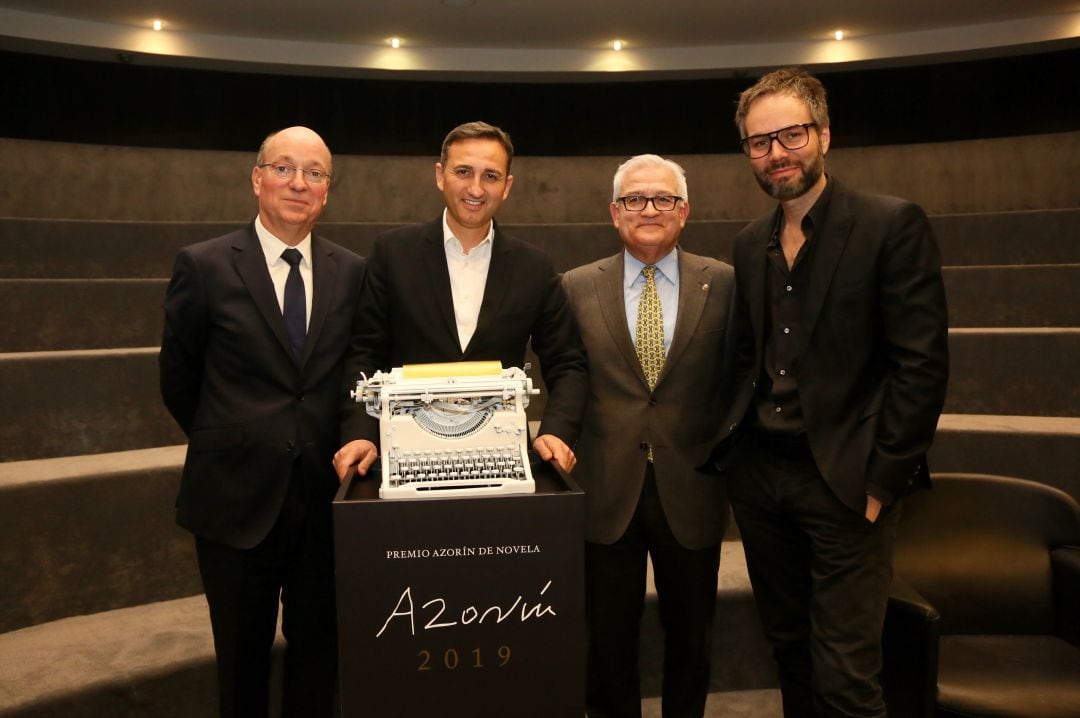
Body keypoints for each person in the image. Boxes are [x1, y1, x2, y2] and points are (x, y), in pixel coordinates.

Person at [720, 68, 949, 717]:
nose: (776, 154)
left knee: (847, 673)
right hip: (763, 481)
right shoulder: (747, 243)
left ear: (823, 134)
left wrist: (882, 483)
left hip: (848, 484)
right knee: (788, 650)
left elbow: (921, 367)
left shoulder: (890, 224)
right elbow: (747, 359)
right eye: (759, 143)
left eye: (790, 135)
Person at [159, 126, 365, 718]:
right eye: (284, 168)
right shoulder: (203, 266)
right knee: (240, 666)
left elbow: (359, 370)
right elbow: (180, 380)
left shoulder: (352, 271)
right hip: (232, 501)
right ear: (257, 179)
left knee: (318, 662)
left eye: (315, 173)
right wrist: (236, 439)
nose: (299, 183)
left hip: (326, 502)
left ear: (328, 191)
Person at [562, 154, 738, 718]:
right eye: (635, 199)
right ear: (615, 213)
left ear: (684, 212)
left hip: (693, 487)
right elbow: (564, 379)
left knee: (692, 639)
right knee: (607, 642)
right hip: (606, 490)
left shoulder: (728, 284)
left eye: (663, 199)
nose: (649, 210)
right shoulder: (574, 287)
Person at [333, 121, 586, 481]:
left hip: (499, 455)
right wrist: (360, 433)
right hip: (404, 452)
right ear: (440, 175)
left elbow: (568, 362)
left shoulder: (535, 267)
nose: (476, 188)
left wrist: (556, 431)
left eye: (491, 176)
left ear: (508, 186)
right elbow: (364, 353)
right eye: (463, 172)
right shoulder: (392, 253)